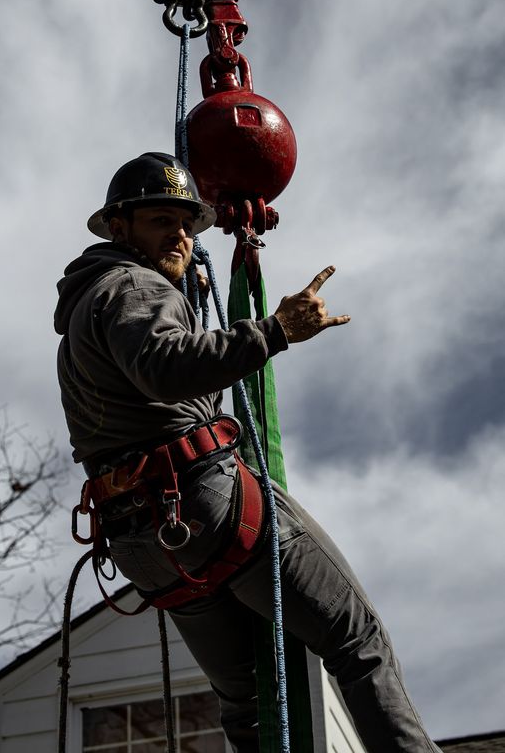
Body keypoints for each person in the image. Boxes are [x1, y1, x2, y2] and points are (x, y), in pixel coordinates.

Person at [54, 151, 441, 753]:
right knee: (356, 641)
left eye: (187, 224)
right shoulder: (133, 285)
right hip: (201, 504)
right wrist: (276, 329)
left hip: (143, 540)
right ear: (120, 227)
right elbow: (164, 366)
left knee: (250, 704)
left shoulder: (88, 304)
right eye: (162, 221)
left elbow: (149, 378)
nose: (180, 235)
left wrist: (186, 299)